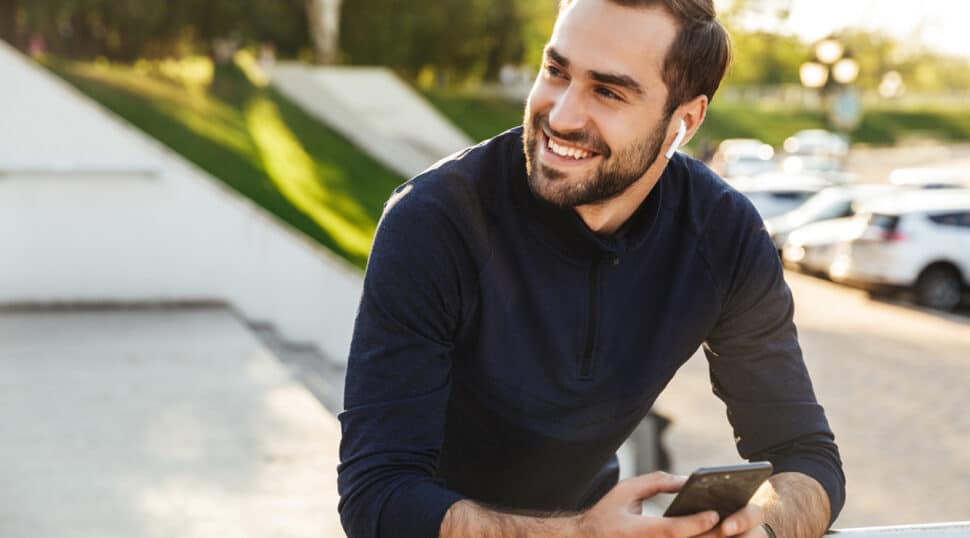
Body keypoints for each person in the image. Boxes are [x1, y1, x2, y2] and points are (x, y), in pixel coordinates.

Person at [338, 0, 845, 537]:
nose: (561, 116)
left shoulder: (724, 235)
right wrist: (579, 535)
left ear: (685, 121)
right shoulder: (436, 221)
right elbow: (378, 498)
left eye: (608, 91)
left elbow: (804, 454)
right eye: (556, 72)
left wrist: (760, 523)